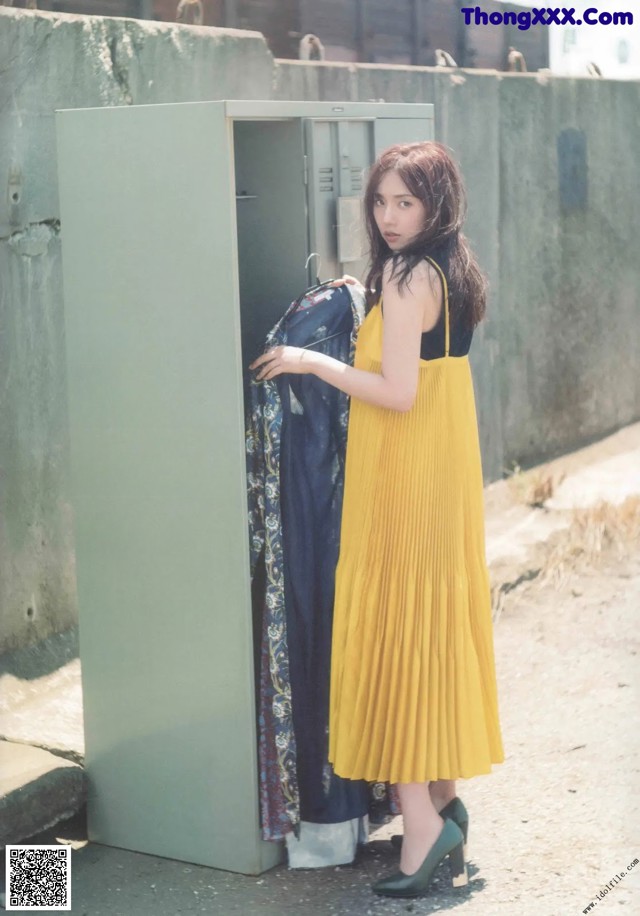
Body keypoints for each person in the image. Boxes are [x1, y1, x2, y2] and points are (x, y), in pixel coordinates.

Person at [249, 141, 504, 899]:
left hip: (401, 478)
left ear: (436, 205)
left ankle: (422, 830)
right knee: (430, 636)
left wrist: (307, 361)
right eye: (382, 202)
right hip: (445, 477)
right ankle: (447, 807)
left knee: (394, 640)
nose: (390, 218)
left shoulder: (403, 275)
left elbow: (396, 391)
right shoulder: (457, 272)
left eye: (406, 203)